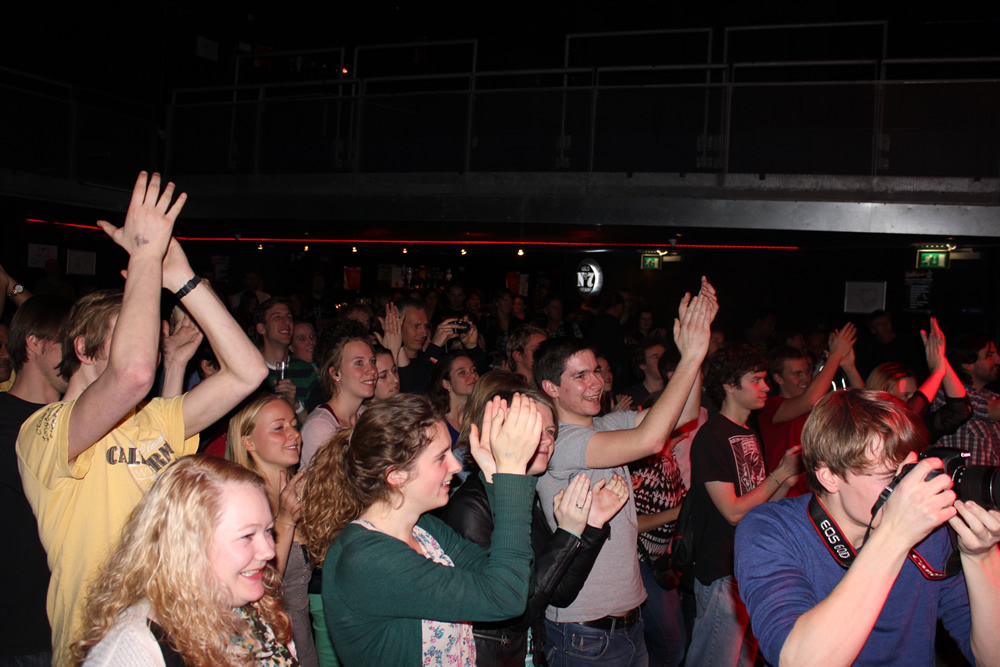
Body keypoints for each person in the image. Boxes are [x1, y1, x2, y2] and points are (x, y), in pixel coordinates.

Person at [17, 172, 267, 665]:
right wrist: (146, 258)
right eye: (129, 336)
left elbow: (249, 370)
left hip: (178, 629)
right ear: (84, 350)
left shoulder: (156, 418)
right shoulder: (43, 430)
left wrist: (182, 280)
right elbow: (130, 375)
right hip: (102, 644)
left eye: (151, 341)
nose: (148, 353)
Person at [735, 389, 1000, 666]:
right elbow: (800, 660)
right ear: (829, 476)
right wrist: (895, 536)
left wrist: (981, 556)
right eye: (888, 476)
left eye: (909, 471)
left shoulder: (931, 533)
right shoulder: (770, 530)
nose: (908, 489)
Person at [533, 279, 717, 667]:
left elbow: (683, 415)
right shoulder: (558, 443)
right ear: (550, 386)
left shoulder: (606, 423)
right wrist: (688, 360)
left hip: (628, 622)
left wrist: (694, 356)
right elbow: (650, 441)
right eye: (580, 376)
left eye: (596, 371)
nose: (596, 382)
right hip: (583, 631)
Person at [299, 393, 543, 665]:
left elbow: (518, 582)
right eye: (441, 458)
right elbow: (506, 597)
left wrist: (494, 476)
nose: (457, 465)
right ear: (396, 475)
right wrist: (510, 477)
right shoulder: (367, 559)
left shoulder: (424, 528)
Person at [440, 381, 628, 665]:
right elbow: (516, 614)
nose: (546, 440)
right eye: (531, 429)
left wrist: (590, 527)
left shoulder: (528, 496)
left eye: (551, 432)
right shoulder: (471, 508)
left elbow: (560, 592)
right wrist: (568, 533)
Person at [72, 455, 297, 666]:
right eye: (247, 536)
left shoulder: (258, 611)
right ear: (188, 546)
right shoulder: (131, 650)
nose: (268, 551)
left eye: (268, 531)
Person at [686, 343, 803, 667]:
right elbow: (734, 512)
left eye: (765, 379)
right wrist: (777, 474)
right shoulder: (712, 437)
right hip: (721, 571)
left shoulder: (748, 432)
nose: (766, 387)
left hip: (745, 567)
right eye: (756, 379)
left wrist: (784, 481)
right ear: (729, 384)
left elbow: (757, 505)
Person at [1, 295, 71, 665]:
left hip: (76, 623)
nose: (79, 353)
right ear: (34, 342)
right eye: (68, 340)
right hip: (23, 631)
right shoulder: (5, 419)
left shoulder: (79, 419)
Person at [225, 395, 314, 667]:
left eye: (293, 425)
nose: (294, 435)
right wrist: (286, 521)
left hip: (302, 631)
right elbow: (265, 585)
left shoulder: (295, 491)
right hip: (271, 638)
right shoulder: (242, 506)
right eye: (279, 428)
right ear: (248, 442)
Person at [865, 317, 970, 442]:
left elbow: (961, 411)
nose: (914, 399)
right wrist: (937, 373)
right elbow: (909, 413)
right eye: (905, 395)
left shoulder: (921, 425)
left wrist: (942, 362)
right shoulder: (872, 425)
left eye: (916, 394)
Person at [300, 325, 375, 469]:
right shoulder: (321, 426)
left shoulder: (366, 415)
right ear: (335, 373)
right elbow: (327, 488)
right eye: (359, 363)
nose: (372, 370)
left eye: (372, 361)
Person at [934, 332, 1000, 466]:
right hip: (958, 484)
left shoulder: (993, 397)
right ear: (967, 364)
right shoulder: (946, 394)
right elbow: (991, 409)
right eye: (989, 355)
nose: (998, 360)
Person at [429, 350, 480, 445]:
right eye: (462, 372)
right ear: (446, 384)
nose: (472, 375)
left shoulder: (480, 415)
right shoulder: (434, 422)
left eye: (473, 370)